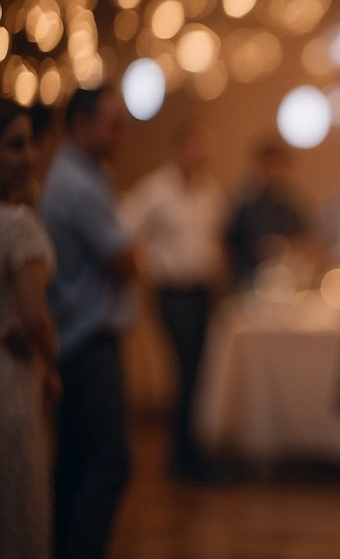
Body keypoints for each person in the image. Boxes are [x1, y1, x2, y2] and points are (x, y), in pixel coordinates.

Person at [40, 86, 139, 559]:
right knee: (110, 462)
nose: (121, 134)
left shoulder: (84, 175)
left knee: (76, 463)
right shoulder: (77, 184)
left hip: (77, 335)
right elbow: (123, 260)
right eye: (113, 124)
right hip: (85, 339)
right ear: (81, 125)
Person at [120, 120, 227, 481]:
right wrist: (148, 271)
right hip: (173, 293)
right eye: (197, 147)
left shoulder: (209, 192)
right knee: (184, 371)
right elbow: (125, 230)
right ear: (180, 149)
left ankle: (189, 452)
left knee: (199, 373)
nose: (204, 155)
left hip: (202, 291)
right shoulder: (156, 190)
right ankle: (181, 457)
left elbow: (215, 241)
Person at [0, 97, 60, 559]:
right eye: (15, 146)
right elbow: (34, 315)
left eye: (31, 143)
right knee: (17, 510)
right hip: (11, 379)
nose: (31, 156)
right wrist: (54, 360)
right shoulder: (18, 224)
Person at [224, 137, 308, 292]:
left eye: (279, 165)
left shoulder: (289, 203)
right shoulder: (245, 202)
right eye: (270, 165)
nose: (274, 171)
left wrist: (284, 246)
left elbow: (303, 238)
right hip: (247, 277)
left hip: (282, 280)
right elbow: (230, 242)